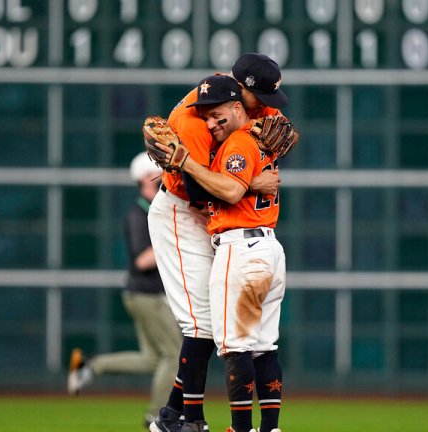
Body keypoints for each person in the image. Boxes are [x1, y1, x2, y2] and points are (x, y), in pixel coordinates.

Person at [148, 54, 289, 432]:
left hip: (228, 228)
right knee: (206, 327)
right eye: (259, 98)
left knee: (223, 332)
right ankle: (189, 420)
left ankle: (173, 416)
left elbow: (284, 131)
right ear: (238, 92)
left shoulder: (245, 113)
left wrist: (251, 172)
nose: (266, 108)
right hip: (181, 211)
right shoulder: (195, 124)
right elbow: (199, 188)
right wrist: (250, 181)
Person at [67, 153, 182, 429]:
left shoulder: (153, 209)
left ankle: (89, 366)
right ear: (145, 178)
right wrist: (173, 239)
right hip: (146, 295)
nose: (165, 178)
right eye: (159, 174)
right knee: (175, 354)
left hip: (144, 294)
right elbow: (142, 260)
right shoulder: (139, 213)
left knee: (153, 359)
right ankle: (156, 416)